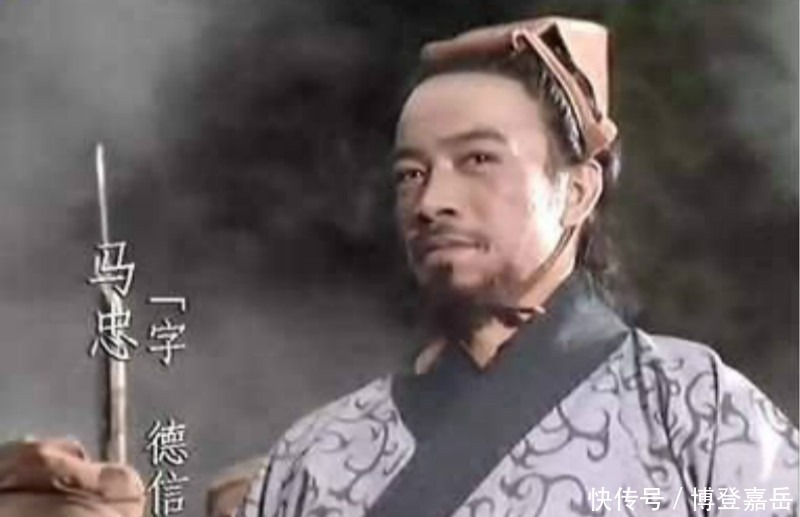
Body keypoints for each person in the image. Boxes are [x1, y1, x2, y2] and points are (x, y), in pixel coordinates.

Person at [1, 15, 796, 517]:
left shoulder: (694, 409)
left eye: (477, 159)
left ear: (579, 189)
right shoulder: (317, 457)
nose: (432, 200)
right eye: (410, 173)